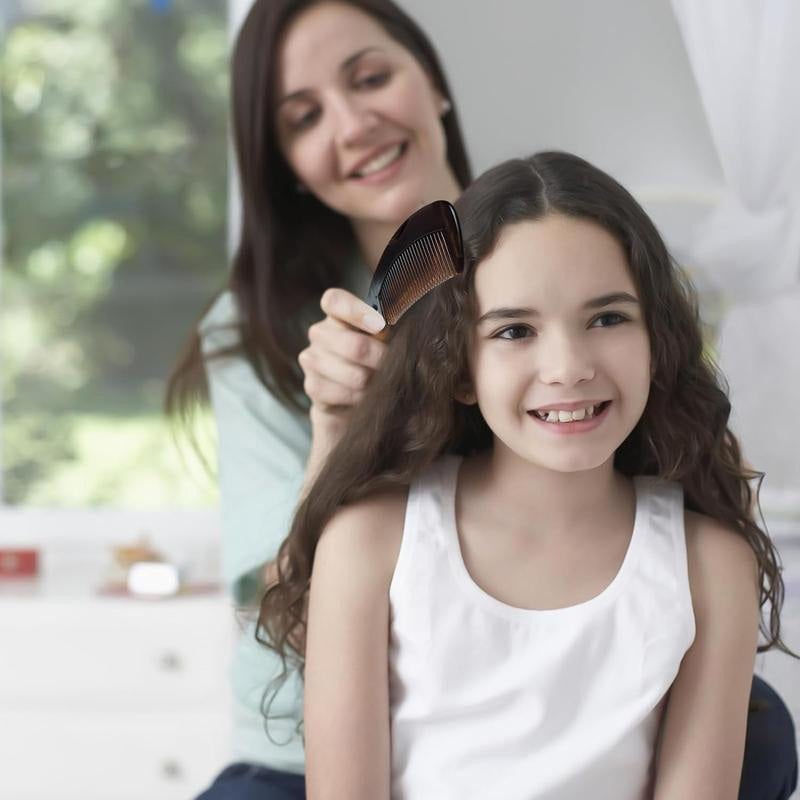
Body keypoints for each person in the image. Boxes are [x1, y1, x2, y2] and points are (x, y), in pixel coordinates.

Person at [259, 152, 798, 800]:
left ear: (659, 342)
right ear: (458, 368)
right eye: (515, 330)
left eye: (607, 318)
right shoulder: (371, 543)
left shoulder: (710, 565)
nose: (568, 366)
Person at [165, 1, 471, 798]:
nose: (353, 124)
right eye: (303, 119)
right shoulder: (253, 330)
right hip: (301, 755)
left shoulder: (562, 250)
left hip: (516, 719)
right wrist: (335, 431)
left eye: (371, 78)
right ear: (285, 164)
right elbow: (292, 618)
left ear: (432, 81)